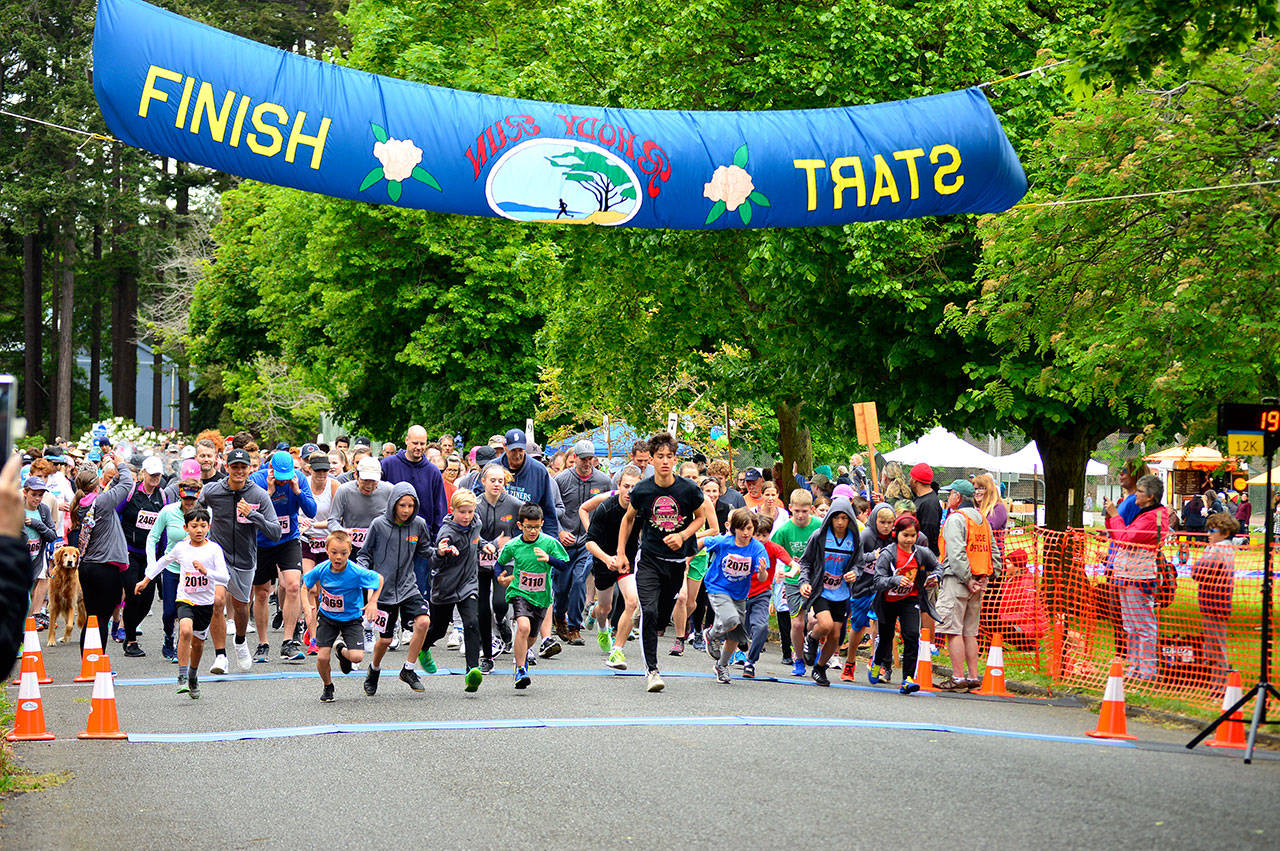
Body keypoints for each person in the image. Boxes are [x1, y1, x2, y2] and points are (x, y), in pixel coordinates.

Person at [617, 432, 715, 692]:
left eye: (669, 457)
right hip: (648, 558)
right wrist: (621, 553)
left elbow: (699, 518)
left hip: (676, 561)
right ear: (651, 459)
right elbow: (628, 519)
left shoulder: (688, 489)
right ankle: (652, 670)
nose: (664, 462)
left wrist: (682, 535)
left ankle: (656, 632)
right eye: (659, 457)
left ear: (675, 459)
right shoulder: (643, 489)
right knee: (647, 612)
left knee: (660, 616)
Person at [197, 447, 282, 674]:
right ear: (227, 467)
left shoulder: (259, 495)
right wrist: (198, 530)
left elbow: (275, 532)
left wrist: (252, 515)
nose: (239, 471)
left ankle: (240, 641)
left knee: (241, 606)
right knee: (217, 602)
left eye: (243, 467)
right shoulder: (213, 490)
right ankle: (220, 657)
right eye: (234, 467)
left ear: (249, 469)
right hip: (218, 555)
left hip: (245, 558)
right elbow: (196, 511)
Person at [135, 506, 229, 699]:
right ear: (186, 528)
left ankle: (193, 675)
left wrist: (206, 572)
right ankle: (182, 675)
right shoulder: (181, 548)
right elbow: (163, 562)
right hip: (185, 598)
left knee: (198, 643)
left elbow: (225, 577)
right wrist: (146, 580)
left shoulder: (214, 549)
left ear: (209, 527)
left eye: (203, 526)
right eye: (194, 526)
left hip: (205, 603)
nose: (199, 530)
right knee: (185, 630)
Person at [358, 483, 434, 695]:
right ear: (393, 504)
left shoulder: (419, 524)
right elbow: (364, 554)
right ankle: (374, 669)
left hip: (409, 586)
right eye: (402, 505)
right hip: (384, 589)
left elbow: (425, 550)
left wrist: (442, 552)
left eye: (411, 505)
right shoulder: (378, 525)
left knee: (424, 621)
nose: (406, 510)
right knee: (385, 640)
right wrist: (365, 573)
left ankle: (408, 669)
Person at [935, 479, 1002, 691]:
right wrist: (987, 577)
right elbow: (994, 551)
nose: (948, 498)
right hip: (977, 581)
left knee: (953, 630)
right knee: (970, 632)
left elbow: (956, 553)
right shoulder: (982, 519)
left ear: (958, 497)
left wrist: (967, 579)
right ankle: (973, 677)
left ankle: (957, 677)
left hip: (958, 581)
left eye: (950, 494)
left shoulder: (956, 519)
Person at [250, 451, 316, 663]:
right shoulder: (257, 480)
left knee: (294, 586)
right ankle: (263, 644)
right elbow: (249, 514)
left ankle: (288, 641)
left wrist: (297, 492)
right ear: (270, 470)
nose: (282, 481)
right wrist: (268, 493)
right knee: (261, 593)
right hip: (262, 542)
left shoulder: (299, 479)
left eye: (286, 477)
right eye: (279, 476)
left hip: (288, 539)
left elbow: (312, 511)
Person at [1103, 473, 1169, 682]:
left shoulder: (1153, 517)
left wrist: (1114, 514)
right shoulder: (1144, 515)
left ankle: (1148, 669)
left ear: (1150, 496)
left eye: (1140, 492)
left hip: (1139, 576)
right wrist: (1111, 517)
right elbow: (1119, 533)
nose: (1135, 496)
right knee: (1130, 625)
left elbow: (1125, 538)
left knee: (1144, 624)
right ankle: (1135, 666)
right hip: (1127, 574)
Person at [304, 530, 384, 702]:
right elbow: (305, 585)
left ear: (350, 551)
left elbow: (379, 579)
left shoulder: (355, 571)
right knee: (322, 656)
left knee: (357, 657)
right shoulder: (322, 569)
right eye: (334, 552)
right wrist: (307, 606)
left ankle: (341, 650)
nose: (338, 557)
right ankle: (328, 686)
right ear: (326, 550)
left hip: (351, 619)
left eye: (344, 553)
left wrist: (373, 602)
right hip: (327, 618)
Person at [497, 503, 570, 689]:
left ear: (542, 524)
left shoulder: (549, 543)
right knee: (523, 626)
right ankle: (520, 669)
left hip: (541, 596)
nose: (532, 531)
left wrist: (549, 559)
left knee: (531, 636)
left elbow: (564, 564)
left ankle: (523, 656)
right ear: (520, 525)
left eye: (537, 527)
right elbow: (499, 562)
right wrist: (500, 575)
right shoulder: (514, 545)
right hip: (520, 592)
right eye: (528, 527)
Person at [871, 514, 941, 695]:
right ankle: (878, 660)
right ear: (896, 534)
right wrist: (895, 580)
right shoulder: (888, 554)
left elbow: (939, 566)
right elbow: (877, 580)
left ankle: (907, 678)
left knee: (911, 635)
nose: (909, 540)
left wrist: (935, 577)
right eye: (905, 535)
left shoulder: (921, 553)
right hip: (887, 601)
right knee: (886, 637)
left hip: (910, 599)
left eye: (913, 535)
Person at [423, 489, 485, 692]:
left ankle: (472, 671)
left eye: (470, 511)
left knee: (472, 623)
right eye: (462, 512)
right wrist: (442, 552)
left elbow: (477, 539)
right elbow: (433, 561)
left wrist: (486, 545)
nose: (467, 517)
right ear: (452, 510)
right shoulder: (446, 532)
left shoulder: (476, 522)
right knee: (439, 629)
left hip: (468, 583)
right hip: (446, 586)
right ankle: (423, 647)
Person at [796, 496, 862, 686]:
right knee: (824, 625)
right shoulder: (819, 536)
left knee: (835, 636)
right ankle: (812, 637)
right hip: (821, 590)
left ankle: (820, 667)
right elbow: (806, 561)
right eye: (836, 518)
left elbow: (859, 563)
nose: (840, 522)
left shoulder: (854, 539)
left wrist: (854, 573)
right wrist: (804, 582)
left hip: (841, 592)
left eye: (844, 518)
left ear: (849, 519)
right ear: (830, 518)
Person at [581, 466, 642, 670]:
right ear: (618, 486)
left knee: (632, 602)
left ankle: (617, 651)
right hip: (604, 561)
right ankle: (600, 624)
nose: (630, 491)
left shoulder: (641, 509)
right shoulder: (606, 508)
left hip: (627, 563)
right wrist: (607, 559)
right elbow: (590, 542)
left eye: (634, 487)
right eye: (626, 486)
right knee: (604, 608)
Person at [72, 452, 135, 651]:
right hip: (105, 568)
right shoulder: (101, 503)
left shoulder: (83, 504)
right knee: (102, 618)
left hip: (87, 567)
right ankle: (98, 663)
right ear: (97, 482)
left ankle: (88, 664)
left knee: (92, 616)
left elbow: (114, 488)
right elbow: (126, 485)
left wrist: (114, 476)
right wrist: (122, 465)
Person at [552, 440, 612, 645]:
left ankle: (574, 626)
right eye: (583, 459)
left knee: (579, 581)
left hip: (589, 541)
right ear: (575, 458)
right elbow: (553, 511)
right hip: (564, 541)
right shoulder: (561, 480)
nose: (587, 463)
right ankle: (559, 616)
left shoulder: (604, 481)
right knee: (560, 587)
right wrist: (560, 532)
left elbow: (610, 509)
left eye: (590, 459)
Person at [699, 509, 769, 684]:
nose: (746, 533)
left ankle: (721, 665)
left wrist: (761, 572)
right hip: (717, 587)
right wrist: (686, 554)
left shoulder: (757, 548)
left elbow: (763, 577)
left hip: (739, 594)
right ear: (734, 529)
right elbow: (702, 541)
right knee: (731, 620)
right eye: (742, 529)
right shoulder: (724, 542)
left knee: (735, 635)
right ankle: (711, 635)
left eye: (750, 529)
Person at [380, 425, 449, 598]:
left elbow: (439, 510)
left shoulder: (432, 471)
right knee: (388, 586)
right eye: (415, 443)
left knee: (418, 588)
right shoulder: (388, 465)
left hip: (420, 540)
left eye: (422, 444)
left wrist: (435, 541)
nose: (419, 447)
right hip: (391, 538)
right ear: (406, 441)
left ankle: (413, 623)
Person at [147, 477, 202, 662]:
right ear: (180, 496)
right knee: (169, 611)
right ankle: (168, 636)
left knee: (186, 612)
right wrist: (152, 563)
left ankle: (182, 645)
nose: (189, 503)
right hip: (171, 569)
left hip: (193, 571)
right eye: (186, 499)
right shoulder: (168, 512)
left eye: (193, 500)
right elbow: (152, 537)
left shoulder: (204, 514)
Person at [475, 463, 521, 672]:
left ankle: (502, 622)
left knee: (501, 603)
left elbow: (526, 527)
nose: (496, 484)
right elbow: (470, 533)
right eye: (492, 480)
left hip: (505, 561)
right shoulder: (475, 505)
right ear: (483, 481)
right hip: (480, 562)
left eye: (500, 481)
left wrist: (513, 543)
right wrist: (489, 544)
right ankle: (487, 654)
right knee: (482, 609)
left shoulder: (513, 504)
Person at [773, 489, 822, 677]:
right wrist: (776, 574)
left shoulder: (819, 527)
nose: (801, 515)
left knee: (816, 620)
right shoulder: (784, 531)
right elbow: (773, 552)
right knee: (797, 624)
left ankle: (811, 640)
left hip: (815, 580)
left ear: (811, 509)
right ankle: (799, 659)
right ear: (790, 508)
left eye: (805, 511)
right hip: (793, 580)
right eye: (797, 511)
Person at [1192, 513, 1239, 691]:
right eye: (1208, 530)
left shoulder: (1219, 550)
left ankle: (1221, 683)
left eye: (1213, 530)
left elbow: (1198, 571)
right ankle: (1215, 680)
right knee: (1212, 644)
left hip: (1215, 603)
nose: (1209, 534)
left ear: (1225, 533)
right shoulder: (1218, 549)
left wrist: (1197, 566)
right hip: (1211, 602)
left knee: (1216, 644)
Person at [744, 516, 793, 677]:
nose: (760, 539)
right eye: (757, 535)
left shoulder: (772, 548)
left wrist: (790, 571)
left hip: (761, 594)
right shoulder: (743, 546)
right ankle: (732, 648)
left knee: (762, 627)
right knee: (737, 629)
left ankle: (750, 662)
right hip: (741, 593)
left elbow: (791, 562)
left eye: (764, 535)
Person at [330, 458, 393, 560]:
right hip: (352, 545)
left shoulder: (389, 490)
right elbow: (332, 520)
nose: (368, 486)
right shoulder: (344, 490)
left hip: (379, 545)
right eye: (365, 480)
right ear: (356, 475)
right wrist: (342, 532)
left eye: (373, 481)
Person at [909, 463, 942, 557]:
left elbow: (928, 534)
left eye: (911, 477)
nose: (909, 480)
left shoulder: (929, 503)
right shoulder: (920, 498)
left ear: (915, 481)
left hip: (924, 556)